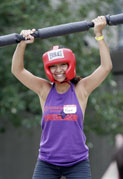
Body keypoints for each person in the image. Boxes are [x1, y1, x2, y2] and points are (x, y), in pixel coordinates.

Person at [11, 16, 112, 179]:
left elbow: (106, 67)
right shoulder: (44, 90)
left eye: (62, 64)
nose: (58, 70)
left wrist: (99, 34)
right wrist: (21, 44)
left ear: (70, 64)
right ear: (48, 68)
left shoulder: (81, 89)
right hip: (47, 163)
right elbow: (18, 70)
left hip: (77, 163)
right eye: (53, 66)